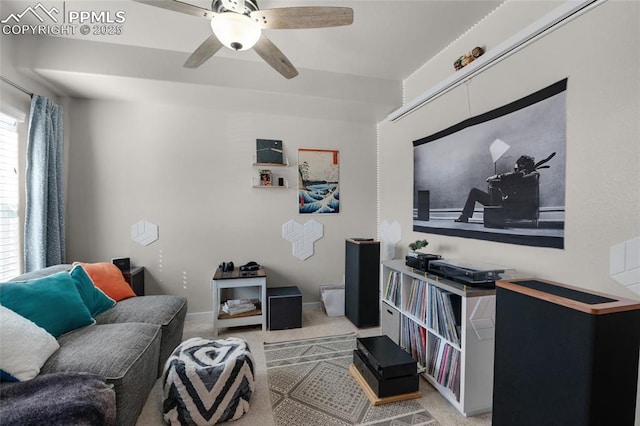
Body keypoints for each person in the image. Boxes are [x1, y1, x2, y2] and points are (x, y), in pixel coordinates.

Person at [455, 155, 536, 223]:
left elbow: (515, 175)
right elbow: (512, 176)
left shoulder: (522, 174)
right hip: (504, 203)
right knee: (479, 191)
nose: (515, 169)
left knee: (474, 192)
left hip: (503, 205)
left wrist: (497, 176)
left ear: (521, 165)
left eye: (517, 166)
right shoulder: (524, 175)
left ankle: (464, 216)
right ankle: (464, 216)